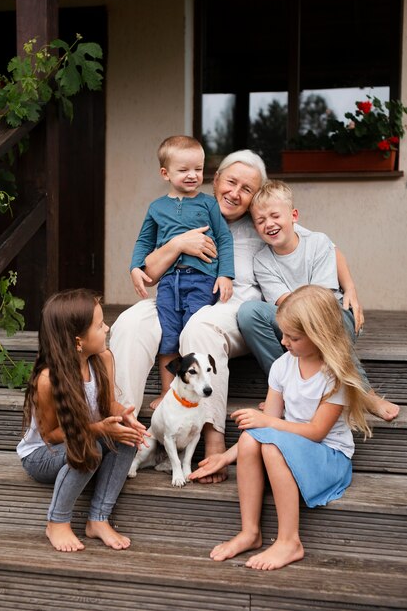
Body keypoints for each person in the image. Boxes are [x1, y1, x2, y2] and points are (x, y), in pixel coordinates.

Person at [110, 149, 394, 484]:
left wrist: (350, 288)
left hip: (229, 310)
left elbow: (322, 244)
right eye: (231, 182)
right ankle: (121, 425)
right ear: (215, 181)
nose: (235, 193)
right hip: (175, 299)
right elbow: (149, 272)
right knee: (129, 323)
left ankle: (213, 435)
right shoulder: (181, 210)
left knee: (200, 326)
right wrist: (177, 244)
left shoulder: (260, 223)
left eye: (247, 189)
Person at [190, 285, 373, 570]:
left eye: (293, 337)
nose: (284, 341)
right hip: (291, 445)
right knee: (252, 438)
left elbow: (315, 432)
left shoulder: (335, 375)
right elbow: (265, 426)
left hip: (328, 457)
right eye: (283, 333)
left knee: (273, 446)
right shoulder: (282, 367)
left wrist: (269, 422)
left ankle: (290, 541)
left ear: (319, 335)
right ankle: (250, 532)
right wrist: (225, 457)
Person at [236, 179, 395, 416]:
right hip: (295, 324)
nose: (269, 224)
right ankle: (287, 388)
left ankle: (364, 393)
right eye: (260, 221)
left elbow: (322, 302)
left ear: (294, 215)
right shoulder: (262, 261)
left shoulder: (318, 243)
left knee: (327, 319)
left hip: (334, 318)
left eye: (275, 216)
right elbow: (287, 305)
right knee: (249, 313)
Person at [17, 289, 148, 552]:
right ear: (78, 341)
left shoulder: (103, 358)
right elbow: (52, 435)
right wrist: (98, 429)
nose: (108, 328)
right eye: (100, 325)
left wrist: (124, 414)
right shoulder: (48, 380)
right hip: (42, 454)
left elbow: (107, 403)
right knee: (91, 448)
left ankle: (98, 518)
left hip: (84, 438)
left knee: (128, 441)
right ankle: (57, 521)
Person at [130, 135, 234, 409]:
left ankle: (194, 390)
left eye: (198, 169)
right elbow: (143, 241)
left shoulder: (208, 204)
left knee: (191, 333)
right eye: (184, 170)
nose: (193, 175)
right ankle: (168, 392)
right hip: (168, 282)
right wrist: (136, 267)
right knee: (168, 335)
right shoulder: (156, 207)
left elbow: (224, 238)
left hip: (202, 280)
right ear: (165, 173)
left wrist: (225, 274)